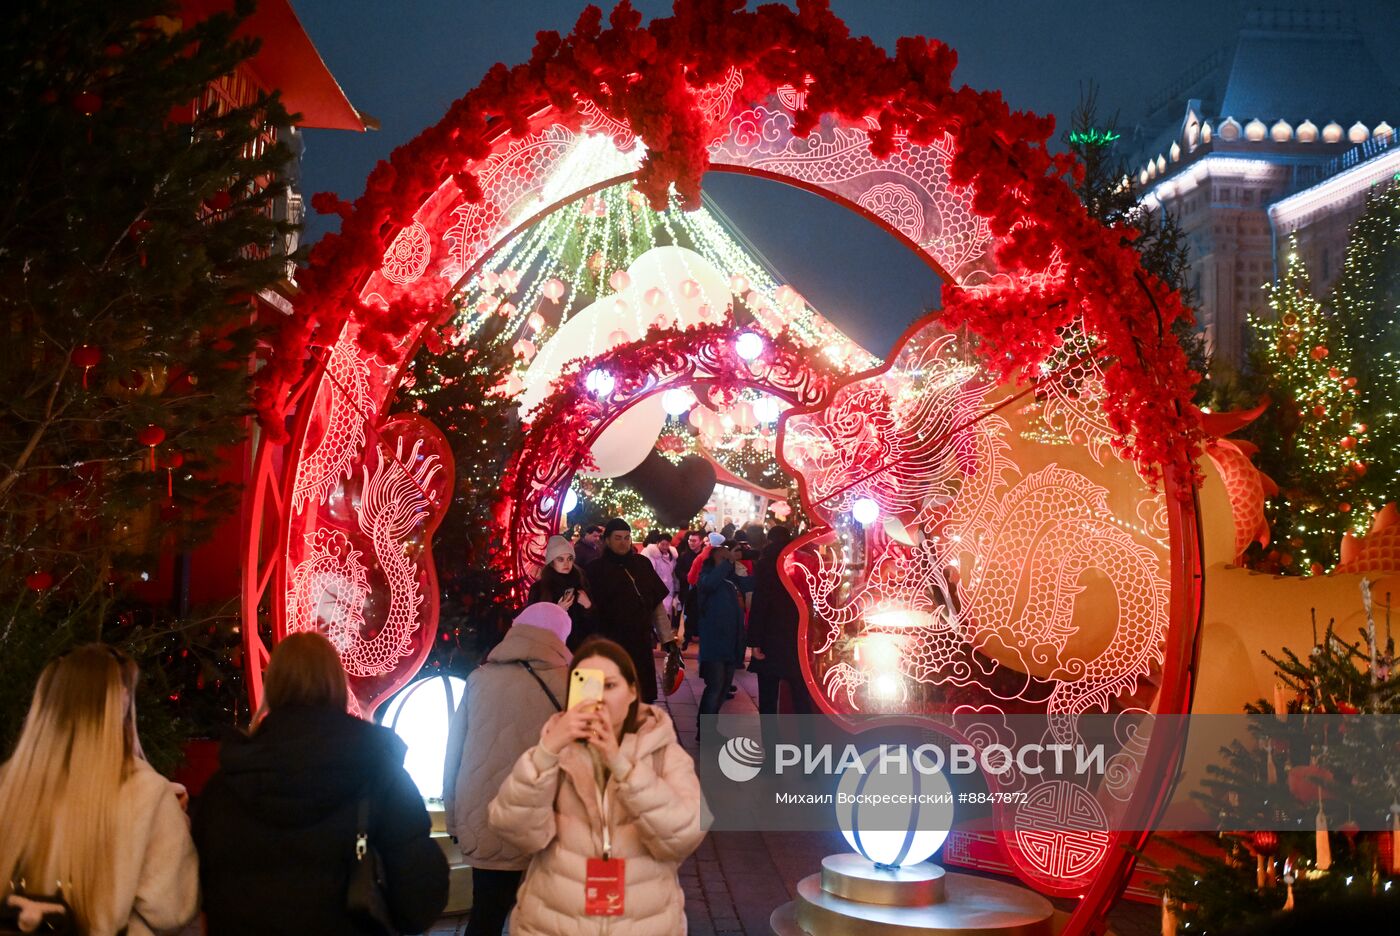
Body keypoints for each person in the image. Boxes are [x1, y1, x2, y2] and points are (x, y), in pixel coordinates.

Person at [193, 632, 448, 935]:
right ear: (338, 685)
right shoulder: (379, 773)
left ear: (272, 687)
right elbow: (421, 896)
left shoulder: (225, 784)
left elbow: (201, 890)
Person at [487, 638, 703, 935]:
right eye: (587, 684)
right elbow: (516, 831)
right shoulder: (552, 749)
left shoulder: (664, 752)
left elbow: (684, 836)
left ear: (632, 692)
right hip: (552, 923)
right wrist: (546, 752)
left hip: (644, 924)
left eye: (610, 685)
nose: (598, 697)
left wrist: (622, 766)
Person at [0, 645, 199, 936]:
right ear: (121, 703)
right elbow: (170, 910)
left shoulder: (8, 785)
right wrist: (175, 824)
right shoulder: (147, 794)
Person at [444, 603, 572, 936]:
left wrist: (455, 816)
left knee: (485, 914)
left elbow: (454, 753)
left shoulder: (478, 679)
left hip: (486, 818)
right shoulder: (575, 684)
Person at [584, 518, 680, 703]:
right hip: (610, 642)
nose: (623, 542)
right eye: (618, 538)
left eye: (627, 538)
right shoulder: (595, 570)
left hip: (639, 641)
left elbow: (656, 606)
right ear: (607, 540)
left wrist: (666, 638)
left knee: (640, 694)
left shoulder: (642, 564)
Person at [746, 526, 815, 730]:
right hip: (798, 637)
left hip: (770, 638)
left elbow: (760, 603)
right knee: (801, 696)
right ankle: (808, 747)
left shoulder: (767, 563)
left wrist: (754, 641)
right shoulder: (805, 561)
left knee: (768, 700)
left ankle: (772, 749)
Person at [695, 540, 753, 740]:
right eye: (723, 556)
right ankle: (706, 732)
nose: (728, 558)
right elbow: (709, 584)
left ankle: (710, 729)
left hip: (730, 645)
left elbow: (751, 583)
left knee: (722, 690)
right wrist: (727, 564)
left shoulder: (730, 582)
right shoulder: (706, 579)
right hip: (714, 645)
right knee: (715, 688)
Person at [528, 534, 597, 649]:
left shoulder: (580, 583)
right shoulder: (539, 589)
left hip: (578, 650)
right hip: (551, 649)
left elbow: (593, 626)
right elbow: (532, 624)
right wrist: (557, 611)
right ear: (551, 561)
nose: (566, 564)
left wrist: (588, 607)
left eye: (569, 559)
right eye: (560, 559)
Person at [674, 529, 706, 649]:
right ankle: (686, 638)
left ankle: (697, 635)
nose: (691, 543)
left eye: (694, 541)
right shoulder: (685, 556)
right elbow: (678, 570)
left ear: (701, 541)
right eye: (689, 540)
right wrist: (687, 578)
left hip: (701, 590)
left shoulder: (705, 556)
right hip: (687, 590)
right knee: (687, 614)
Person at [641, 532, 678, 620]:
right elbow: (650, 572)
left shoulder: (672, 556)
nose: (665, 547)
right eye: (662, 544)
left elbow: (673, 573)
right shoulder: (652, 555)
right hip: (657, 588)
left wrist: (676, 587)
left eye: (667, 544)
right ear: (657, 543)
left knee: (667, 613)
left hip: (669, 588)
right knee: (659, 614)